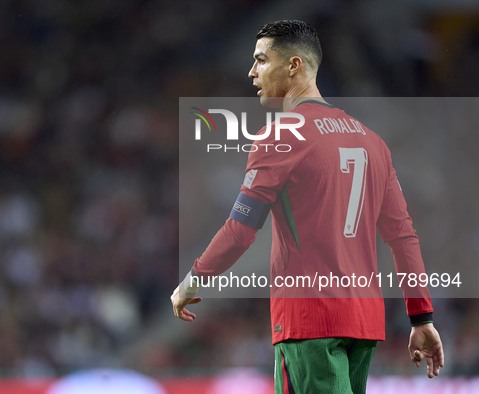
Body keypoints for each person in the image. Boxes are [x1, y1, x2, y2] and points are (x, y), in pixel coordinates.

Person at [171, 20, 445, 393]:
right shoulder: (372, 142)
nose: (251, 72)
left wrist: (194, 279)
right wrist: (421, 316)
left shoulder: (281, 136)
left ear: (294, 65)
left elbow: (240, 230)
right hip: (363, 324)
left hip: (309, 321)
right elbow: (402, 236)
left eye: (261, 61)